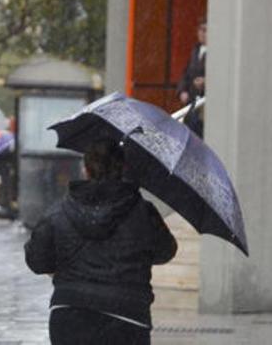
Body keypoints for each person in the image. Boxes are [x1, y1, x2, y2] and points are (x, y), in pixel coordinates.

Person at [24, 140, 177, 345]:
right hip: (128, 315)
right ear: (123, 168)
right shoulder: (143, 211)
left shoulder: (59, 211)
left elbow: (37, 261)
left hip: (69, 313)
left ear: (85, 169)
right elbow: (166, 251)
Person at [177, 20, 206, 137]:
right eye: (200, 30)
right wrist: (182, 91)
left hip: (203, 103)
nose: (202, 34)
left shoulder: (214, 51)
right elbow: (186, 74)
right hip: (192, 100)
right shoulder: (196, 50)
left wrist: (206, 82)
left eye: (205, 30)